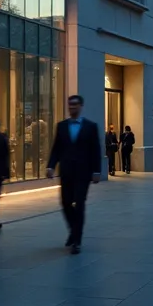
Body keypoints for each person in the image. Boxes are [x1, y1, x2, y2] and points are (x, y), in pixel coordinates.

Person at [47, 95, 102, 253]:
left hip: (83, 173)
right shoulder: (62, 126)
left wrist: (97, 171)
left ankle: (77, 240)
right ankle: (73, 230)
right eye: (70, 105)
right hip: (66, 171)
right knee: (65, 203)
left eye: (75, 105)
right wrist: (51, 166)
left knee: (79, 204)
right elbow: (56, 148)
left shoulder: (90, 127)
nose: (72, 108)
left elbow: (95, 150)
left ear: (81, 106)